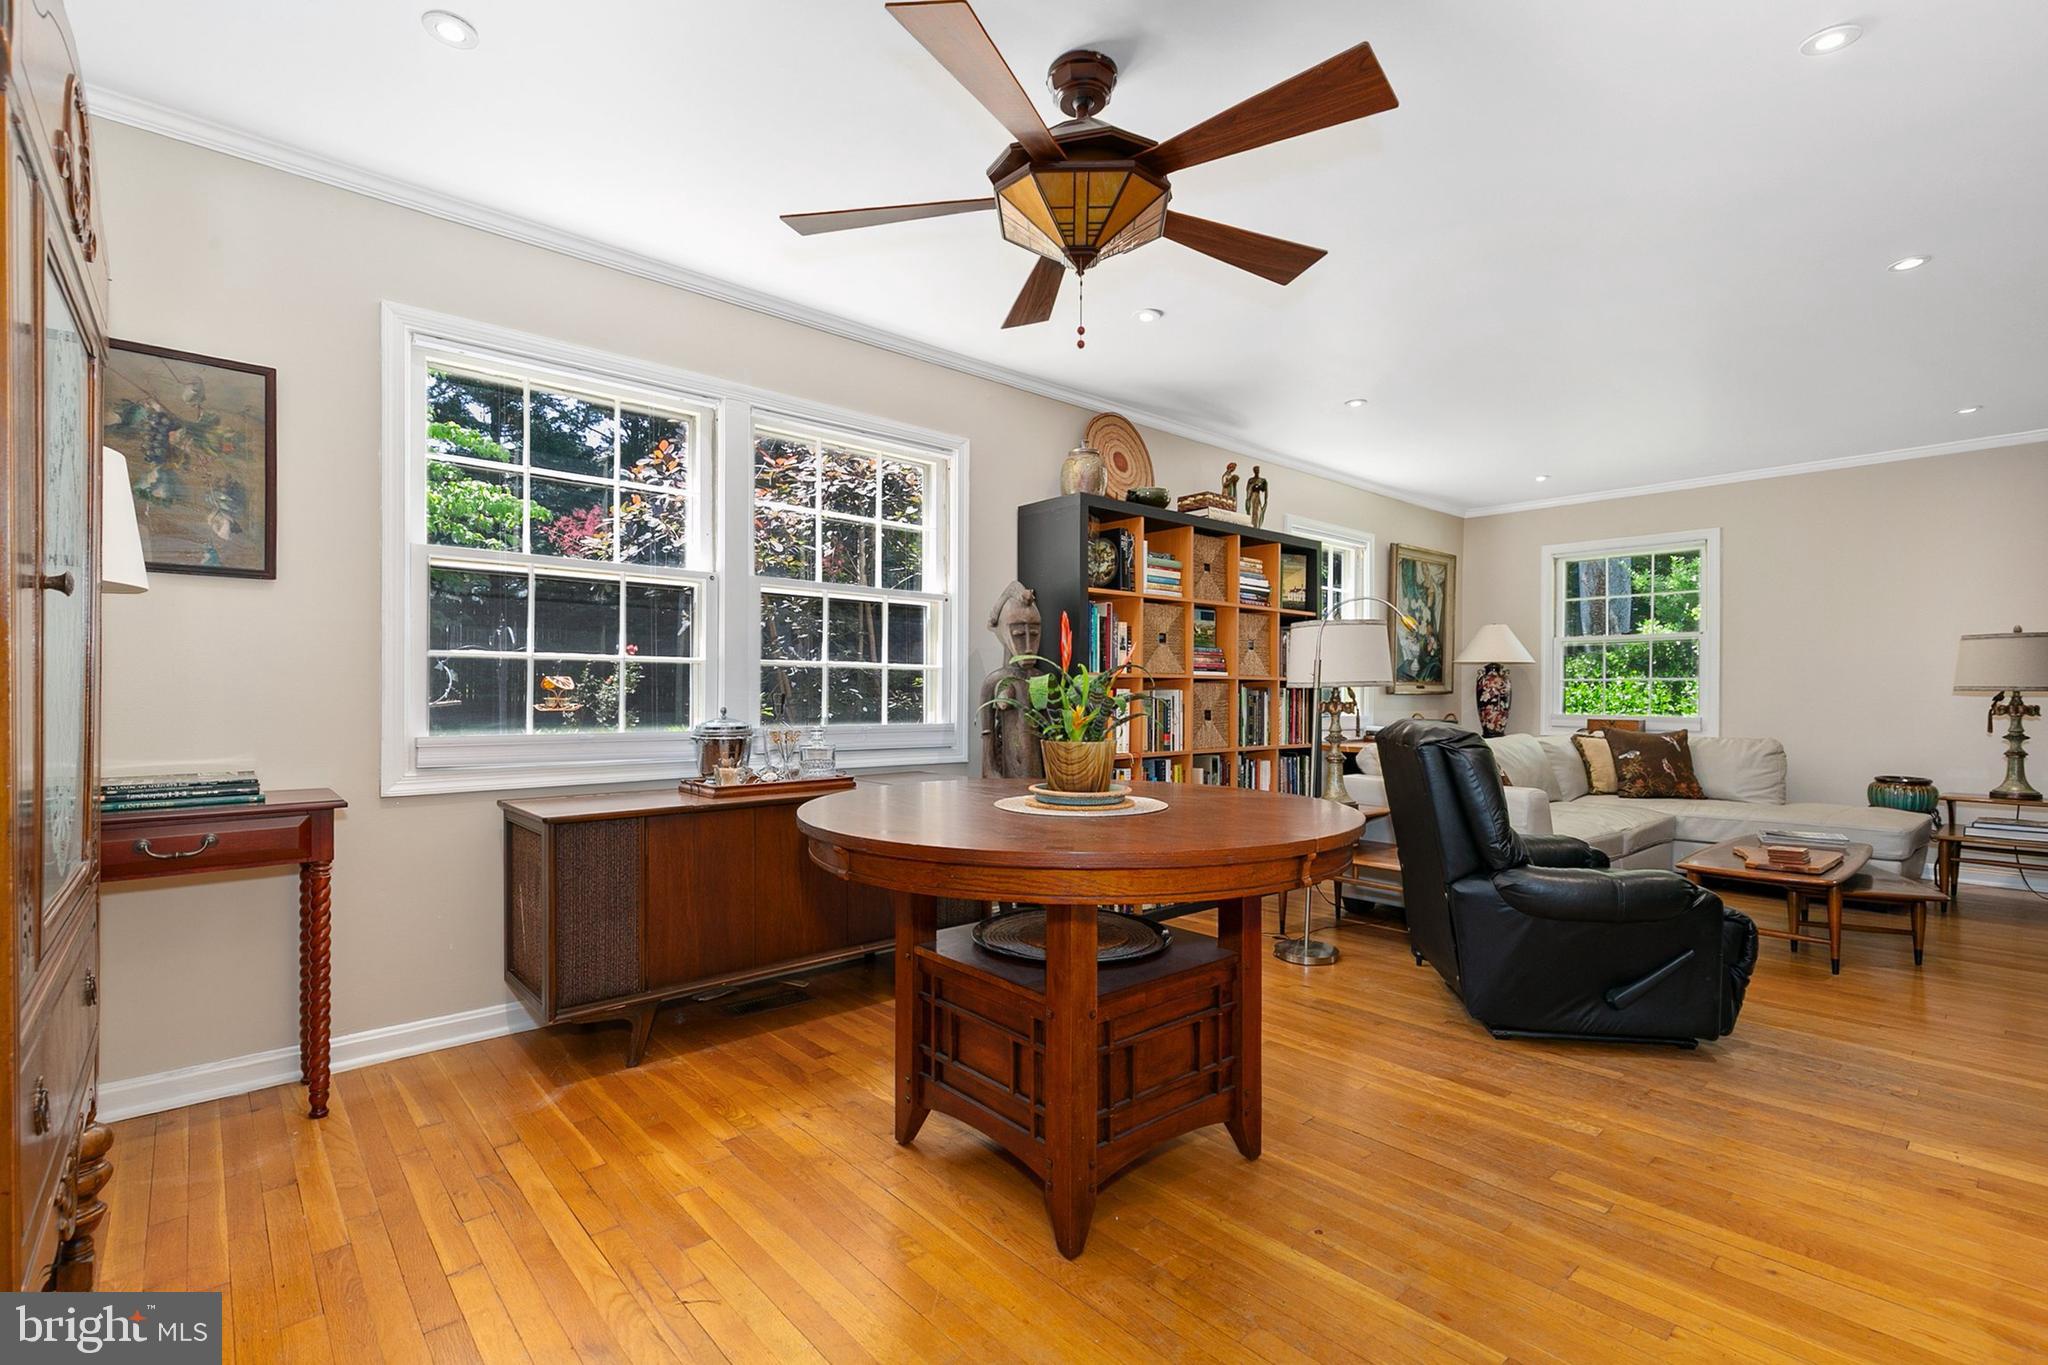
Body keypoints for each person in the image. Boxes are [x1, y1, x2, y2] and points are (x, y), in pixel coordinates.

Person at [978, 581, 1047, 779]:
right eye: (1018, 634)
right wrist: (990, 774)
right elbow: (987, 736)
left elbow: (1052, 734)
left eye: (1034, 634)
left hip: (1039, 779)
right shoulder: (993, 682)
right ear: (1004, 634)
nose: (1027, 645)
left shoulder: (1042, 679)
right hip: (1006, 778)